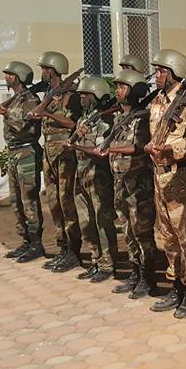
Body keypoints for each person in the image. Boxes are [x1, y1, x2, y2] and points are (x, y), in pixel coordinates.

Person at [145, 49, 186, 318]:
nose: (157, 75)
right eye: (156, 70)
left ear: (174, 72)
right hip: (159, 175)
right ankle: (176, 285)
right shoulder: (158, 101)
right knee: (167, 236)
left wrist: (169, 149)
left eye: (161, 71)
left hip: (180, 176)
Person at [106, 69, 158, 299]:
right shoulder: (120, 117)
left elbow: (140, 147)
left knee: (141, 230)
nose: (118, 91)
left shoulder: (143, 117)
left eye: (122, 86)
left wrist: (112, 148)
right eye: (117, 86)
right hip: (121, 180)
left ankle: (148, 277)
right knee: (127, 228)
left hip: (138, 182)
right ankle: (134, 272)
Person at [30, 51, 82, 272]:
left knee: (66, 200)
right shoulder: (49, 94)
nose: (42, 72)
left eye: (45, 68)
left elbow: (72, 123)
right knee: (53, 201)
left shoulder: (70, 95)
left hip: (64, 153)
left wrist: (47, 114)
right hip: (49, 151)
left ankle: (74, 250)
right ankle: (63, 247)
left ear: (54, 70)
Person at [0, 61, 44, 262]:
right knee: (16, 201)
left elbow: (28, 126)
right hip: (13, 152)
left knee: (29, 200)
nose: (6, 77)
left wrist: (7, 114)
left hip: (26, 152)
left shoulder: (31, 99)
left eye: (10, 74)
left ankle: (36, 243)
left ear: (19, 77)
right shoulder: (16, 98)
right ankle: (25, 240)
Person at [70, 77, 117, 284]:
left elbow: (100, 150)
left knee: (102, 221)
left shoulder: (105, 121)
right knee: (85, 221)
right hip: (81, 173)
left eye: (85, 94)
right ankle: (96, 259)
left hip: (98, 175)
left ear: (96, 95)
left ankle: (108, 264)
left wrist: (76, 146)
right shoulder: (85, 118)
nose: (81, 97)